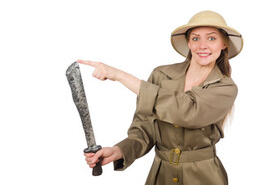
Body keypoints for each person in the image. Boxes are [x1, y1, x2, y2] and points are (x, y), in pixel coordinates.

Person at [81, 10, 242, 184]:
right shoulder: (161, 75)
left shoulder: (225, 87)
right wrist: (120, 150)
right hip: (161, 175)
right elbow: (144, 129)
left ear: (224, 43)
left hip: (204, 177)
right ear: (188, 42)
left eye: (211, 38)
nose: (202, 45)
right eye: (195, 38)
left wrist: (120, 76)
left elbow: (187, 112)